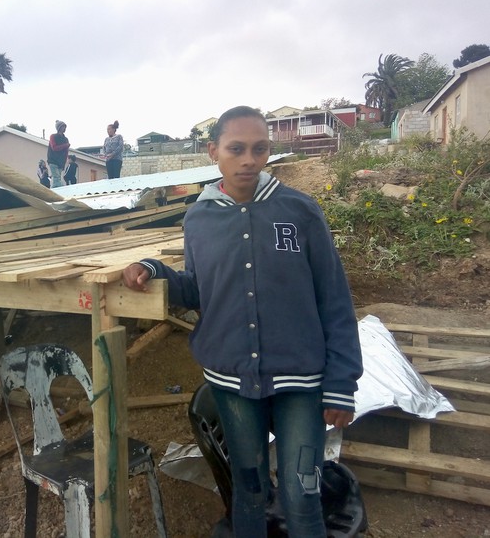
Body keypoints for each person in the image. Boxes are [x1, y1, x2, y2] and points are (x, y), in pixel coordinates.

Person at [122, 105, 363, 537]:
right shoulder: (199, 217)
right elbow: (199, 290)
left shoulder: (300, 211)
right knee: (248, 493)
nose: (249, 160)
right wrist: (155, 269)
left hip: (301, 381)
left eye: (260, 148)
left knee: (301, 493)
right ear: (214, 151)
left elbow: (334, 299)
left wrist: (342, 382)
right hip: (231, 379)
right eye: (236, 149)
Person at [47, 120, 70, 188]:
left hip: (60, 162)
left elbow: (66, 153)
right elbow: (54, 148)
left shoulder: (66, 139)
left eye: (65, 127)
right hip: (53, 160)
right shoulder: (53, 136)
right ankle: (60, 190)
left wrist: (63, 163)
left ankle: (53, 191)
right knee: (57, 178)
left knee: (57, 179)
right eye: (63, 127)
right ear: (59, 128)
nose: (64, 128)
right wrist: (65, 145)